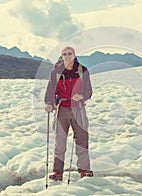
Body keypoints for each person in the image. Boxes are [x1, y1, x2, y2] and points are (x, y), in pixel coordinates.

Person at [44, 46, 93, 181]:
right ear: (61, 56)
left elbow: (89, 91)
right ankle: (58, 172)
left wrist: (82, 96)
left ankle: (84, 169)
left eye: (69, 53)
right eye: (64, 54)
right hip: (62, 109)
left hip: (79, 109)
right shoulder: (56, 72)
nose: (67, 56)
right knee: (60, 142)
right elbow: (50, 91)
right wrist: (49, 103)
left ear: (74, 55)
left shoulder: (83, 71)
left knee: (82, 139)